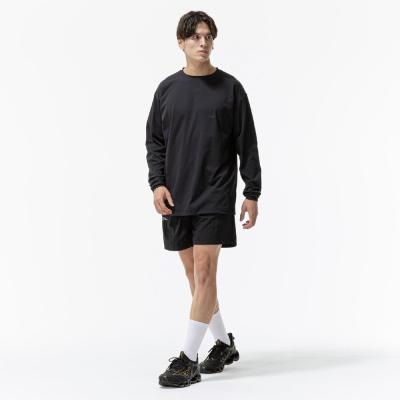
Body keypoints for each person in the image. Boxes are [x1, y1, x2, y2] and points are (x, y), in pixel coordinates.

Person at [145, 10, 262, 388]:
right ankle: (225, 344)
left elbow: (247, 143)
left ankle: (187, 358)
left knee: (205, 270)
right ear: (181, 42)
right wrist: (157, 184)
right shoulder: (166, 89)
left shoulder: (230, 88)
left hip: (215, 193)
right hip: (177, 196)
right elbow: (155, 143)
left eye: (208, 36)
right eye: (195, 36)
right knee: (194, 276)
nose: (203, 42)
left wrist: (252, 191)